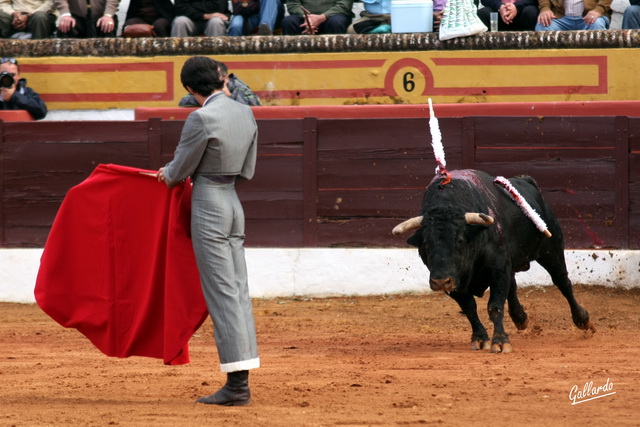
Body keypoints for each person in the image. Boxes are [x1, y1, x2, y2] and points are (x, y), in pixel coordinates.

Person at [157, 56, 259, 407]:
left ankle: (236, 386)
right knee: (238, 288)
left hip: (209, 204)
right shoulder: (245, 112)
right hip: (233, 201)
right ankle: (240, 377)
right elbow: (248, 169)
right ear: (220, 77)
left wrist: (166, 172)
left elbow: (177, 171)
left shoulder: (200, 117)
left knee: (221, 293)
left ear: (189, 88)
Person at [179, 60, 261, 107]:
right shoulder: (204, 85)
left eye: (217, 76)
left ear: (226, 78)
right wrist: (208, 96)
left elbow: (254, 105)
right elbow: (185, 102)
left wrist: (229, 97)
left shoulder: (238, 87)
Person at [281, 0, 354, 35]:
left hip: (332, 16)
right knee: (288, 22)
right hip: (305, 18)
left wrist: (323, 17)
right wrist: (307, 18)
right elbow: (293, 5)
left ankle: (336, 59)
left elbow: (344, 6)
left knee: (337, 22)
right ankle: (294, 60)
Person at [535, 0, 611, 30]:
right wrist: (545, 8)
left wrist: (598, 10)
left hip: (589, 17)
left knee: (596, 26)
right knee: (543, 25)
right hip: (560, 18)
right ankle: (550, 62)